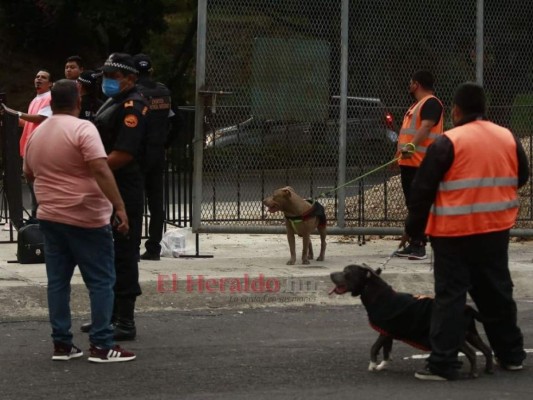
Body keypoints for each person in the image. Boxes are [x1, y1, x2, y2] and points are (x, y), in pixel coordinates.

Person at [406, 82, 528, 380]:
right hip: (495, 230)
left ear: (457, 110)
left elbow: (423, 190)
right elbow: (521, 175)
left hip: (453, 233)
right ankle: (511, 355)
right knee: (497, 293)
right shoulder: (507, 137)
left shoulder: (449, 142)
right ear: (484, 108)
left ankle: (443, 364)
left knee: (451, 297)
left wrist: (414, 230)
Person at [23, 79, 136, 362]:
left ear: (50, 103)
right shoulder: (84, 128)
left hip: (50, 216)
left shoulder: (37, 133)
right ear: (78, 101)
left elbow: (29, 173)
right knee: (100, 280)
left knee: (57, 282)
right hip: (86, 217)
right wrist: (119, 206)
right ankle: (101, 344)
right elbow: (99, 167)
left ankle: (62, 343)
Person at [81, 53, 148, 341]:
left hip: (123, 185)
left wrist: (93, 170)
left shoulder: (135, 104)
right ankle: (106, 314)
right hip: (105, 185)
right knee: (103, 254)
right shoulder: (113, 100)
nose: (106, 81)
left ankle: (125, 320)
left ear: (130, 79)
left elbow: (124, 153)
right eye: (105, 75)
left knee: (123, 253)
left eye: (113, 76)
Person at [395, 70, 444, 260]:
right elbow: (408, 133)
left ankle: (419, 245)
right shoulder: (417, 105)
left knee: (419, 206)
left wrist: (412, 146)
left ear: (416, 84)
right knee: (414, 205)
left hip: (421, 164)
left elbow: (426, 127)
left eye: (411, 82)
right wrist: (399, 155)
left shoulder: (431, 103)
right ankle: (416, 241)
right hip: (409, 163)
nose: (409, 85)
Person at [133, 53, 173, 261]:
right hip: (158, 152)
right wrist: (166, 143)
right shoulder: (163, 92)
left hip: (138, 153)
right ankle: (154, 247)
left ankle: (132, 245)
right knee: (156, 203)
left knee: (134, 201)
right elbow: (177, 121)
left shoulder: (134, 94)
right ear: (151, 70)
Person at [3, 69, 54, 218]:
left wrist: (16, 113)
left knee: (39, 188)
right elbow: (27, 123)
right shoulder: (35, 99)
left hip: (40, 148)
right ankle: (35, 219)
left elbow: (40, 118)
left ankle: (40, 221)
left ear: (50, 83)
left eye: (43, 77)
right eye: (37, 76)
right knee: (32, 187)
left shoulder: (50, 97)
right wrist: (9, 118)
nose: (38, 79)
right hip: (28, 148)